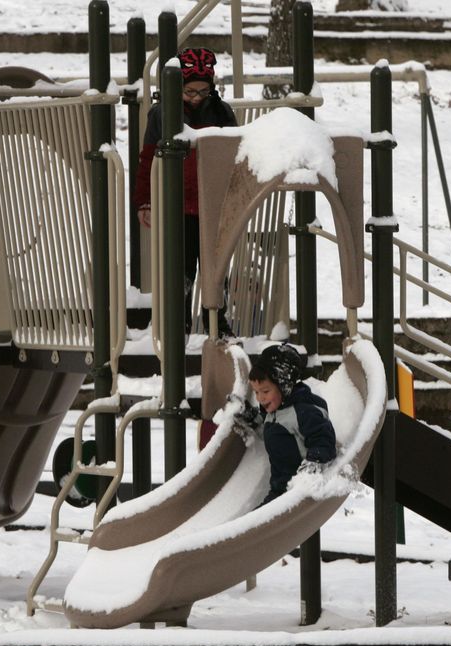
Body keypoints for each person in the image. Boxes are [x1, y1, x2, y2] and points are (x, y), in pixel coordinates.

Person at [133, 47, 237, 337]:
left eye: (203, 92)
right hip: (177, 205)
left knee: (216, 267)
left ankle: (216, 320)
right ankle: (179, 321)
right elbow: (147, 160)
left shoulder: (221, 112)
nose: (195, 98)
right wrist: (144, 201)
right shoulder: (161, 114)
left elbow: (234, 154)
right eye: (190, 91)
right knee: (182, 268)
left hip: (212, 205)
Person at [242, 344, 337, 505]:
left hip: (297, 492)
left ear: (284, 387)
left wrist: (314, 463)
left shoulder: (304, 412)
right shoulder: (274, 411)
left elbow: (324, 439)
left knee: (264, 524)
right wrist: (254, 421)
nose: (260, 398)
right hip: (279, 489)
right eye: (256, 392)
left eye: (265, 391)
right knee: (257, 522)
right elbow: (274, 433)